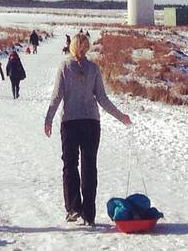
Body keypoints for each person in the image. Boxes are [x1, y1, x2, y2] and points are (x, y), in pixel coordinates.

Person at [44, 32, 130, 226]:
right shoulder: (93, 68)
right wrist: (120, 116)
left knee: (70, 165)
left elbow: (57, 96)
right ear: (87, 46)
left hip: (71, 123)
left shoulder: (65, 66)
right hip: (91, 123)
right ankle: (89, 214)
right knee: (89, 167)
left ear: (72, 46)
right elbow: (102, 98)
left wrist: (48, 119)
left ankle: (74, 208)